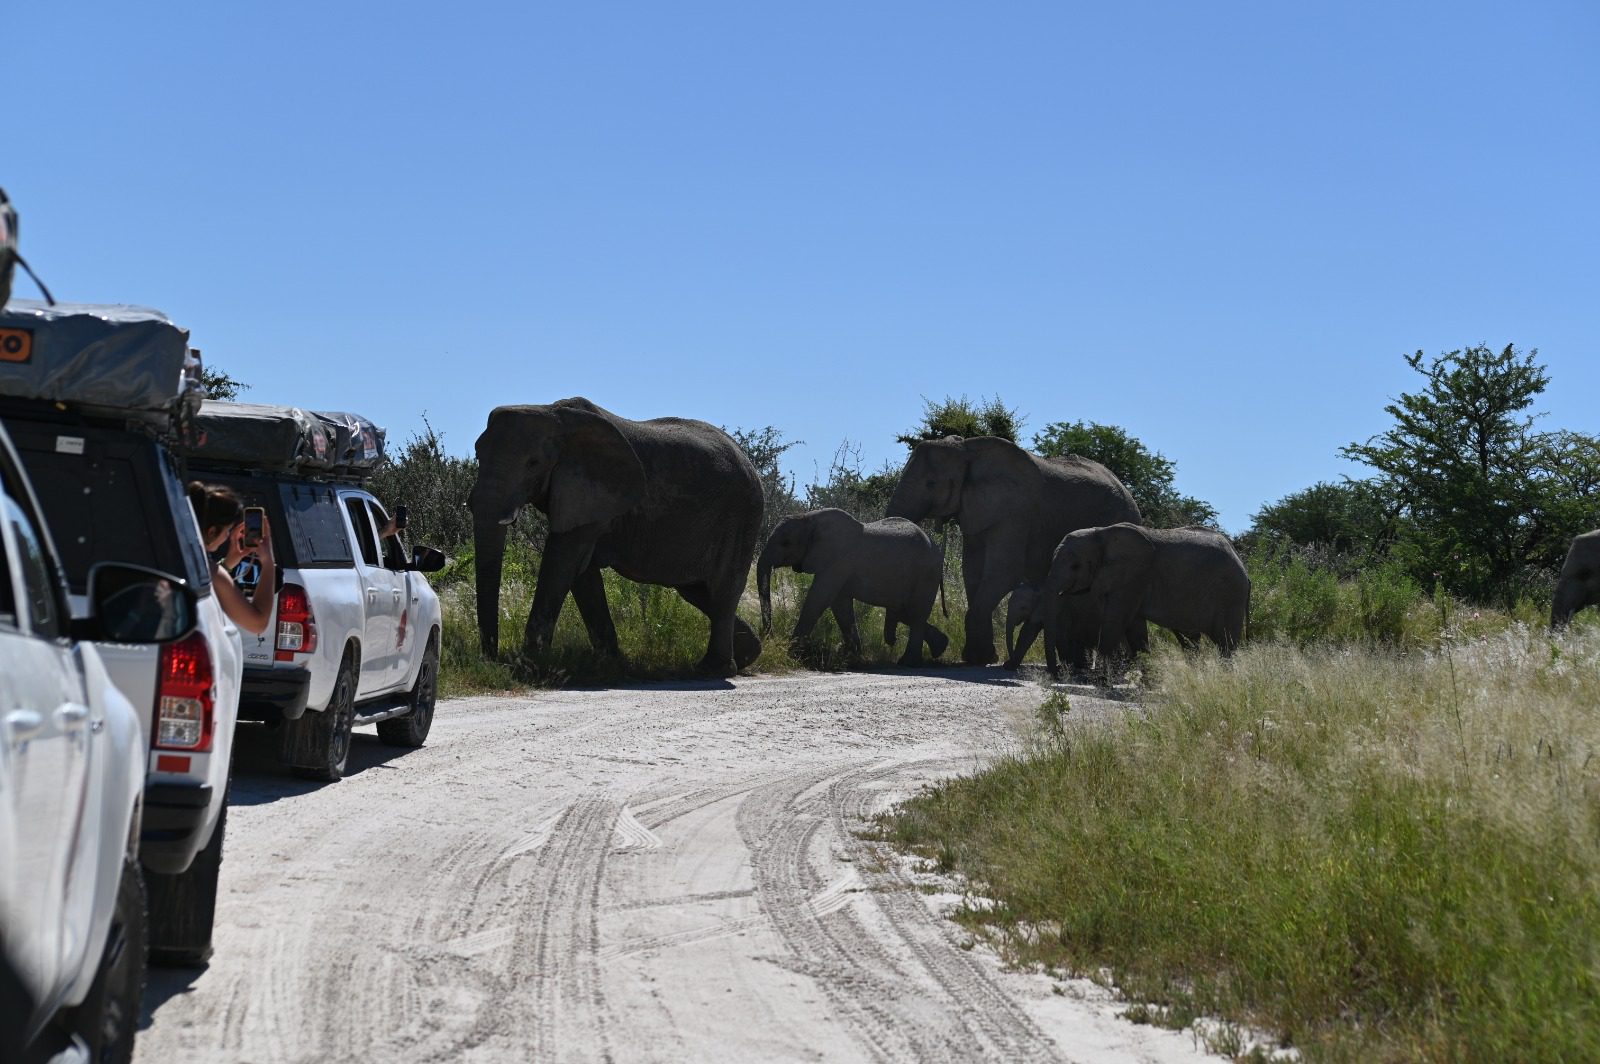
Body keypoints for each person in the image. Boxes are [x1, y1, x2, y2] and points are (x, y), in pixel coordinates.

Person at [187, 482, 277, 635]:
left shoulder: (174, 552)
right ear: (212, 532)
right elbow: (258, 623)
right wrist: (268, 563)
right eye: (228, 530)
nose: (228, 536)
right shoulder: (211, 571)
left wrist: (228, 563)